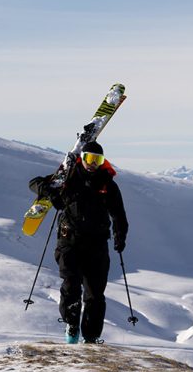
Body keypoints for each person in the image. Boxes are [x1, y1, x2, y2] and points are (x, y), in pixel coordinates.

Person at [29, 141, 128, 344]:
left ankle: (91, 337)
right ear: (82, 158)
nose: (93, 164)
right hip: (69, 241)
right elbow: (34, 182)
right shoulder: (68, 177)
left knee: (95, 293)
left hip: (97, 244)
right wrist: (50, 193)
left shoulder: (107, 184)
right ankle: (71, 323)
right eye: (90, 159)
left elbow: (119, 214)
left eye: (98, 160)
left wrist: (120, 236)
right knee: (71, 285)